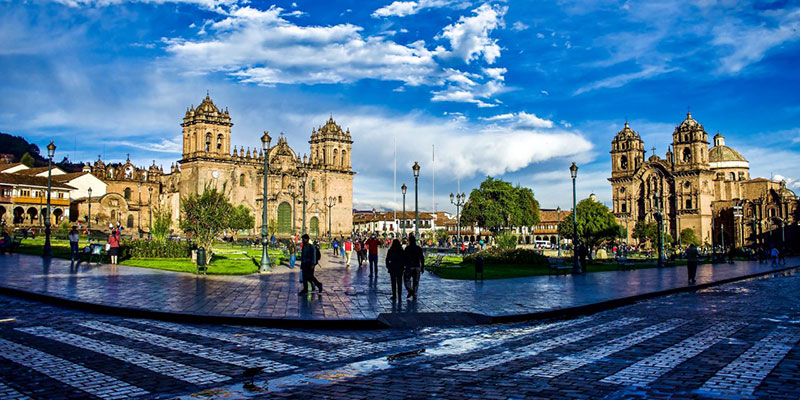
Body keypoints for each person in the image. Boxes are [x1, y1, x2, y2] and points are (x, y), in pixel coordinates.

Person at [403, 234, 425, 300]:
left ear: (409, 241)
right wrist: (422, 267)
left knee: (406, 279)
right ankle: (414, 294)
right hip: (417, 267)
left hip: (409, 267)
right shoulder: (419, 248)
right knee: (416, 281)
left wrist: (404, 265)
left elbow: (404, 258)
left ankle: (410, 291)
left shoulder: (407, 248)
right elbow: (422, 258)